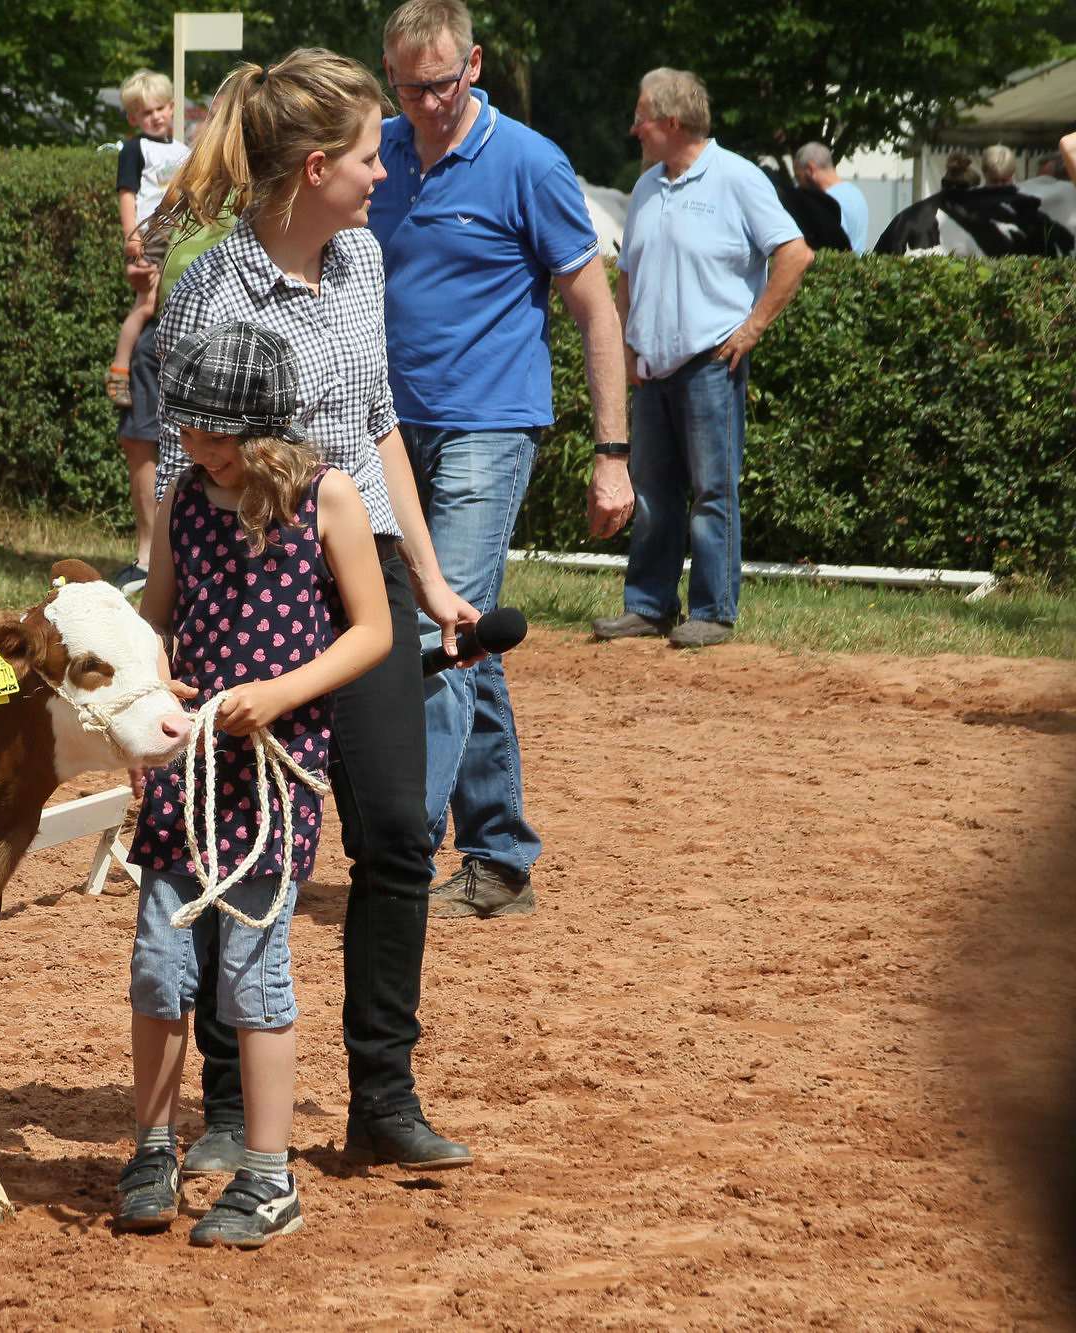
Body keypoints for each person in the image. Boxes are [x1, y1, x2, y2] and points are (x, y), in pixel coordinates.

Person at [150, 47, 481, 1179]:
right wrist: (171, 616)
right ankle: (233, 1101)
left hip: (361, 574)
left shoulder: (361, 261)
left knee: (395, 833)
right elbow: (174, 467)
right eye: (365, 154)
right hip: (241, 580)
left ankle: (381, 1093)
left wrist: (427, 580)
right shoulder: (209, 285)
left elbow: (378, 423)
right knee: (231, 845)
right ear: (307, 168)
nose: (382, 171)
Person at [113, 321, 393, 1249]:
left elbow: (371, 632)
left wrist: (277, 695)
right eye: (188, 430)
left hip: (272, 784)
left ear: (265, 429)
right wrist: (160, 680)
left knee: (252, 972)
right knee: (159, 961)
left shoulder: (331, 499)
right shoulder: (183, 503)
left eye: (215, 435)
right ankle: (153, 1144)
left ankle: (270, 1178)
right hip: (186, 773)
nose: (196, 448)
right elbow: (157, 619)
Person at [370, 0, 630, 921]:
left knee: (434, 640)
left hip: (489, 428)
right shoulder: (380, 156)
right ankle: (502, 856)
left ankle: (402, 854)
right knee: (463, 631)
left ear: (474, 64)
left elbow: (598, 313)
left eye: (440, 83)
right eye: (407, 87)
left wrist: (613, 452)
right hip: (387, 432)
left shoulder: (530, 162)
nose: (426, 104)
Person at [593, 69, 812, 650]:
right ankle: (648, 606)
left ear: (670, 122)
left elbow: (795, 253)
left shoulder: (738, 178)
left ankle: (713, 611)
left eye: (641, 117)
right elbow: (628, 276)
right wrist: (628, 344)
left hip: (710, 362)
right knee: (653, 493)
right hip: (653, 367)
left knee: (713, 491)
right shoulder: (646, 187)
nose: (634, 128)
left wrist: (752, 327)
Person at [105, 70, 193, 594]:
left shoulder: (186, 151)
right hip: (150, 239)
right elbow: (128, 197)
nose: (157, 117)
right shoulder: (135, 150)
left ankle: (176, 554)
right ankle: (119, 368)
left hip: (178, 237)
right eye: (147, 111)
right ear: (135, 118)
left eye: (162, 108)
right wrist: (132, 243)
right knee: (145, 303)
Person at [795, 142, 870, 253]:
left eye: (798, 177)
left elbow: (832, 244)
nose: (798, 185)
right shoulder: (856, 193)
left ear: (810, 170)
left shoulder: (826, 201)